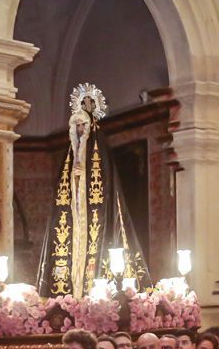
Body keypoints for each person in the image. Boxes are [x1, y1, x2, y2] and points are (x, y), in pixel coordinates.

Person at [37, 83, 151, 297]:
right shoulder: (70, 156)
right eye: (77, 125)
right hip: (74, 212)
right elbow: (63, 192)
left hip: (95, 214)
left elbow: (105, 189)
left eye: (83, 125)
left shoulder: (100, 152)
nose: (80, 129)